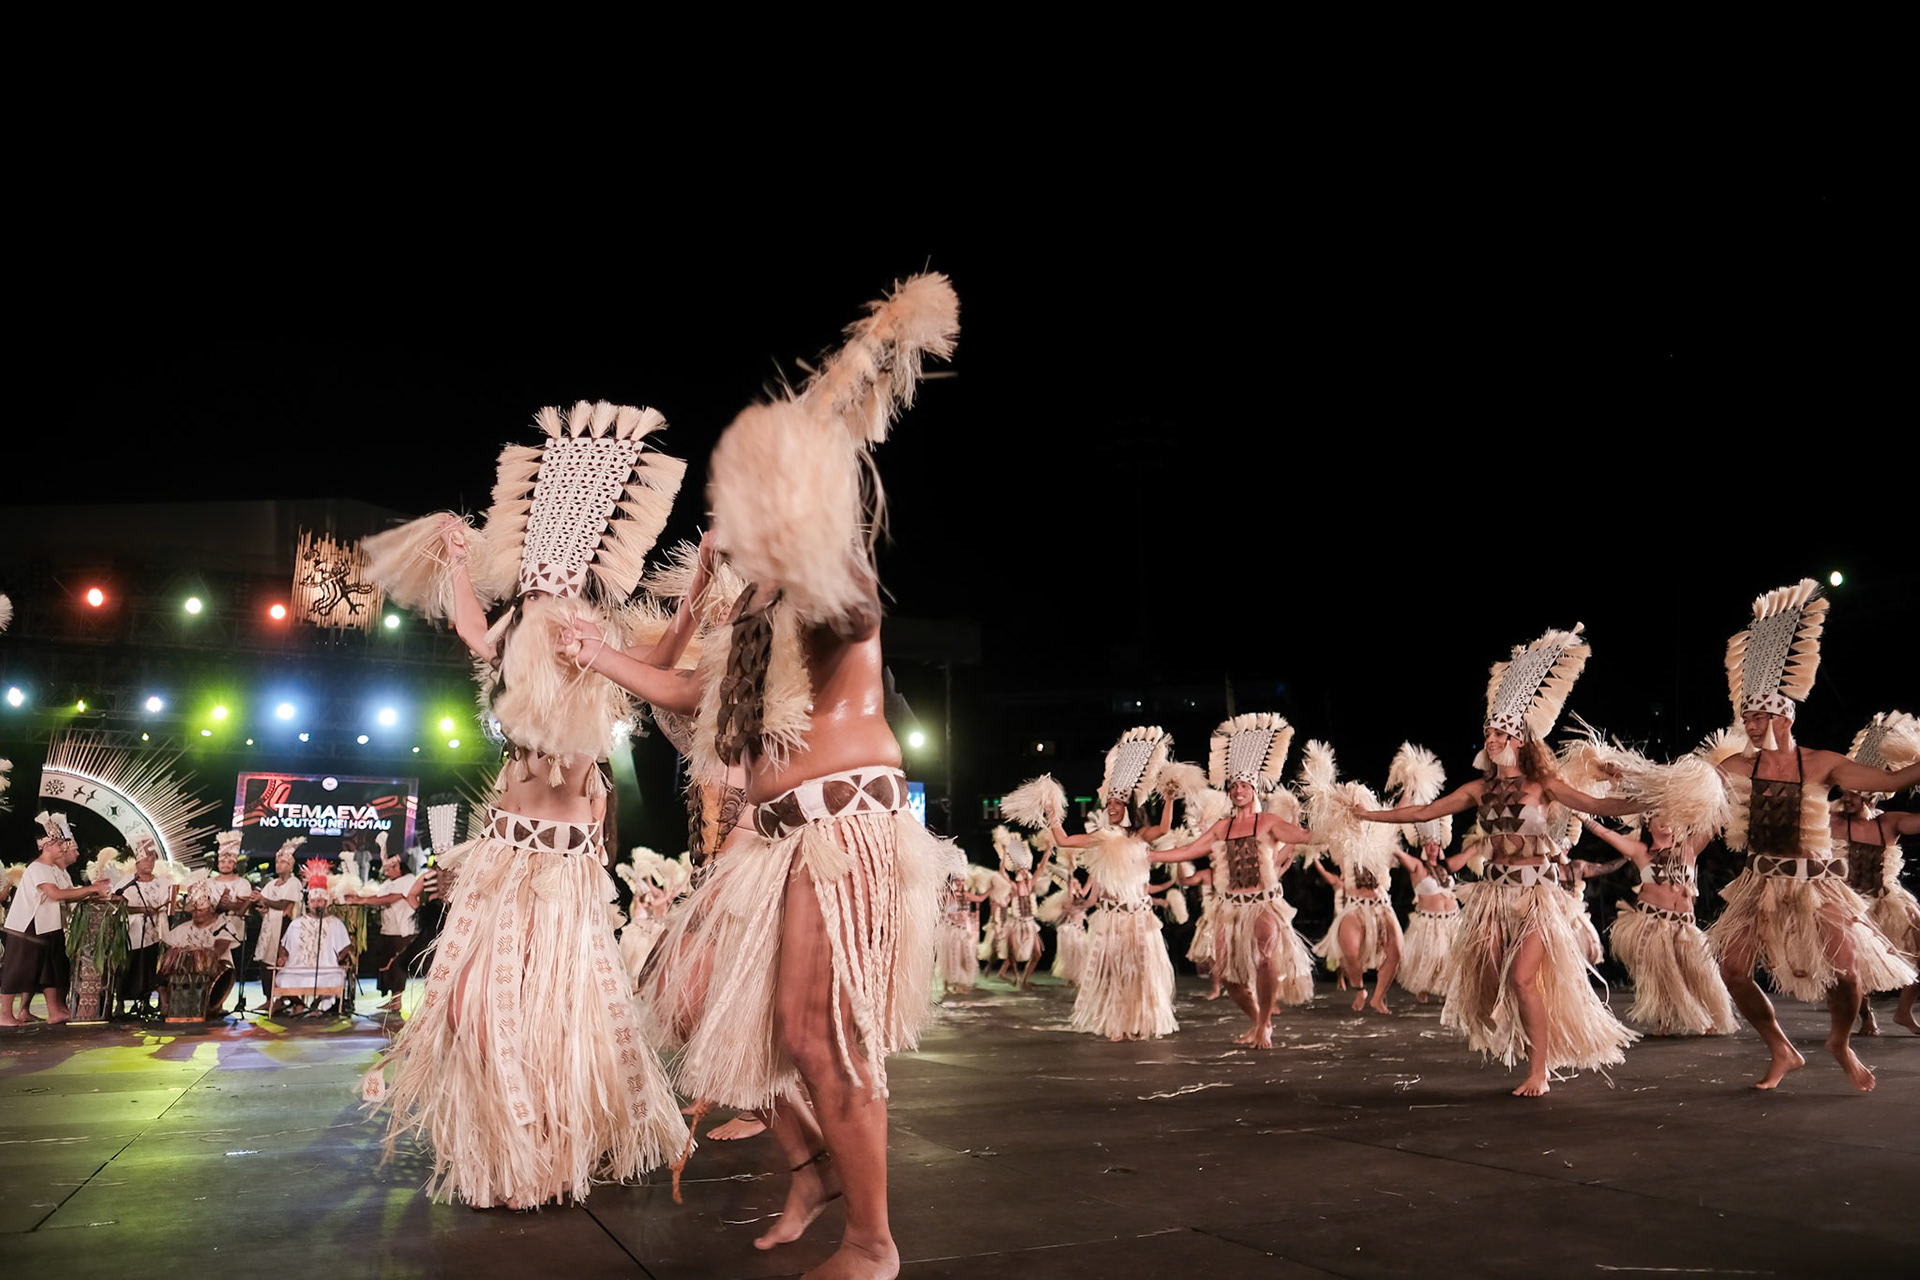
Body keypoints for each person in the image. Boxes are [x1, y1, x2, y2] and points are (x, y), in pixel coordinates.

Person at [585, 275, 960, 1277]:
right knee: (727, 1010)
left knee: (822, 1035)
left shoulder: (827, 581)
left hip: (842, 830)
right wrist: (597, 652)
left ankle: (873, 1242)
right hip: (784, 836)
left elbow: (853, 601)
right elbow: (685, 685)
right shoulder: (752, 619)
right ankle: (815, 1171)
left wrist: (807, 507)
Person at [361, 396, 691, 1207]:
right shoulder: (514, 628)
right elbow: (476, 630)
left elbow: (658, 666)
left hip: (562, 861)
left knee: (557, 1015)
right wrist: (452, 560)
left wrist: (694, 600)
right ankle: (509, 1150)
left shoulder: (590, 636)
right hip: (504, 848)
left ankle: (549, 1156)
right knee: (475, 1004)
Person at [1355, 625, 1643, 1096]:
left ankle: (1539, 1070)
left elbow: (1595, 805)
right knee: (1490, 977)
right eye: (1489, 731)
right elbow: (1425, 812)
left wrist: (1646, 797)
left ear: (1520, 737)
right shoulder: (1479, 788)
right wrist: (1368, 814)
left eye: (1500, 731)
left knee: (1523, 978)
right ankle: (1518, 1029)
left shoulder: (1543, 786)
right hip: (1493, 894)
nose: (1491, 737)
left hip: (1535, 897)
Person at [1705, 581, 1919, 1091]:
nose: (1750, 724)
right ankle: (1781, 1047)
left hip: (1818, 882)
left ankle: (1839, 1042)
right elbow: (1687, 787)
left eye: (1760, 716)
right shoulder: (1736, 766)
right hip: (1758, 883)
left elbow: (1891, 781)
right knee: (1732, 970)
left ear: (1784, 715)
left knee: (1847, 975)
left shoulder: (1822, 764)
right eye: (1746, 717)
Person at [1150, 716, 1319, 1044]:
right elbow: (1190, 850)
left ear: (1253, 789)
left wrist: (1334, 818)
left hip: (1263, 903)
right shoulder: (1222, 827)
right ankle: (1257, 1020)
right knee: (1225, 972)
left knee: (1266, 960)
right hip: (1229, 907)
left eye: (1243, 785)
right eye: (1233, 786)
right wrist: (1153, 856)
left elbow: (1305, 837)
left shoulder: (1268, 821)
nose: (1238, 790)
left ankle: (1265, 1023)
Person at [1023, 725, 1180, 1042]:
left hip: (1138, 916)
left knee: (1141, 972)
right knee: (1112, 972)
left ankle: (1140, 1020)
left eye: (1117, 803)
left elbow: (1164, 828)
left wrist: (1169, 797)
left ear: (1128, 806)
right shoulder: (1099, 837)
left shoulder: (1139, 836)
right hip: (1111, 917)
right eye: (1109, 802)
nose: (1111, 806)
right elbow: (1064, 840)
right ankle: (1115, 1021)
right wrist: (1052, 812)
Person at [1830, 711, 1920, 1037]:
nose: (1847, 797)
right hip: (1847, 901)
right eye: (1845, 791)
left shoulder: (1888, 823)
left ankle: (1903, 1012)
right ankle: (1865, 1015)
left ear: (1871, 793)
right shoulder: (1829, 820)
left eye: (1855, 792)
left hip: (1885, 900)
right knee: (1852, 960)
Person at [1, 814, 110, 1025]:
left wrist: (94, 892)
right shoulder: (37, 868)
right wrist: (91, 889)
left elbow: (69, 894)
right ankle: (5, 1015)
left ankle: (55, 1011)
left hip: (47, 925)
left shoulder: (54, 869)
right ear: (46, 846)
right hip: (28, 926)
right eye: (59, 844)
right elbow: (56, 894)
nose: (63, 847)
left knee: (50, 969)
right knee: (18, 969)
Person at [354, 849, 424, 1012]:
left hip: (403, 931)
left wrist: (363, 900)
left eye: (388, 869)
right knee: (386, 965)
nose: (385, 872)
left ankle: (397, 1001)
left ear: (398, 867)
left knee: (397, 965)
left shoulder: (409, 880)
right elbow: (379, 897)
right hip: (388, 930)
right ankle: (392, 999)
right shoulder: (387, 883)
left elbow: (391, 898)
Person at [159, 879, 238, 1017]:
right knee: (162, 972)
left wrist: (195, 955)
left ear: (211, 909)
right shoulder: (182, 930)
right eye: (194, 911)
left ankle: (210, 1005)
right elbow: (168, 952)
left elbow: (217, 951)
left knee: (206, 969)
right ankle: (167, 1003)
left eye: (201, 910)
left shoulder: (223, 926)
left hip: (213, 971)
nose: (197, 914)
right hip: (183, 972)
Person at [117, 838, 177, 1019]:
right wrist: (141, 910)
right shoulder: (126, 882)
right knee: (128, 967)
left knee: (151, 967)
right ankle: (120, 1003)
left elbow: (171, 906)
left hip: (156, 931)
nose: (149, 862)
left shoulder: (164, 883)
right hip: (131, 933)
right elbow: (118, 906)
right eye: (145, 859)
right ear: (137, 862)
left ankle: (146, 1001)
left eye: (152, 859)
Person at [275, 882, 353, 1014]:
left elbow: (347, 946)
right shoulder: (296, 923)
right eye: (313, 901)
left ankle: (317, 1003)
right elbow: (283, 945)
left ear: (326, 903)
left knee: (336, 979)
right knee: (282, 980)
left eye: (320, 901)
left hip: (327, 970)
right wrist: (282, 956)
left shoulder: (335, 923)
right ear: (308, 903)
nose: (316, 904)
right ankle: (299, 1004)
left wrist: (339, 958)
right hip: (297, 969)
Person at [251, 839, 305, 1008]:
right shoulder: (272, 883)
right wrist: (262, 907)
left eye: (282, 862)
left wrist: (263, 899)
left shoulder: (293, 883)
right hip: (269, 927)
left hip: (284, 927)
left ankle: (290, 1000)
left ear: (290, 866)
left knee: (281, 962)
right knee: (265, 963)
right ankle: (270, 999)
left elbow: (283, 905)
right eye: (277, 862)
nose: (278, 865)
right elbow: (266, 904)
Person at [207, 832, 257, 1016]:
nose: (225, 864)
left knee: (228, 969)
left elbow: (244, 908)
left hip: (234, 931)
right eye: (222, 861)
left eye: (229, 861)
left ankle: (220, 1002)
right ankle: (210, 1003)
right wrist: (218, 905)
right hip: (210, 931)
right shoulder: (208, 883)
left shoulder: (243, 883)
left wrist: (230, 905)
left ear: (235, 863)